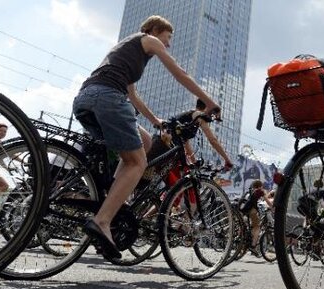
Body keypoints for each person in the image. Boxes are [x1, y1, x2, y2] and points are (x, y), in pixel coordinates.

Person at [73, 15, 221, 259]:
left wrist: (155, 121)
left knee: (145, 141)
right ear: (156, 30)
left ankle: (114, 196)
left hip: (86, 99)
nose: (168, 44)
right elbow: (180, 73)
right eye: (168, 37)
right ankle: (102, 221)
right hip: (109, 99)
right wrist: (209, 101)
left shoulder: (126, 53)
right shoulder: (149, 40)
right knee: (138, 162)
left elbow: (134, 97)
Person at [240, 179, 267, 254]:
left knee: (251, 227)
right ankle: (253, 245)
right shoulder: (260, 191)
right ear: (261, 186)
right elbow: (267, 200)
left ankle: (244, 242)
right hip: (252, 211)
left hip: (245, 210)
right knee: (257, 227)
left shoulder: (251, 191)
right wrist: (273, 208)